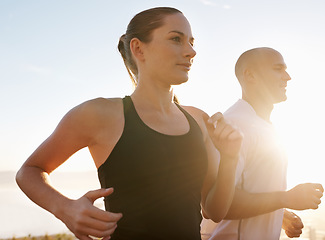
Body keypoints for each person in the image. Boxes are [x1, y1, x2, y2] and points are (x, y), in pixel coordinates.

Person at [16, 7, 243, 240]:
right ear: (137, 48)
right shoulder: (100, 114)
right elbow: (29, 171)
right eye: (176, 39)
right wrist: (65, 208)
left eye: (191, 42)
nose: (191, 51)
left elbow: (214, 211)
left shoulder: (199, 120)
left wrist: (230, 158)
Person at [201, 47, 324, 240]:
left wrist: (278, 214)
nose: (288, 77)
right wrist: (287, 198)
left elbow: (251, 188)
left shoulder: (265, 126)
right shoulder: (235, 125)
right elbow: (217, 207)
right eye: (278, 69)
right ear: (250, 75)